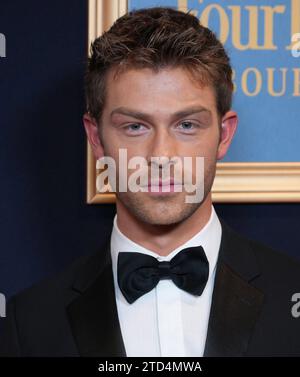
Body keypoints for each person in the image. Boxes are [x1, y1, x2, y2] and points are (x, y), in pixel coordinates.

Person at [0, 6, 299, 357]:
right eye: (135, 126)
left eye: (186, 125)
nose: (161, 156)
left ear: (224, 135)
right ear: (96, 138)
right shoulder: (29, 323)